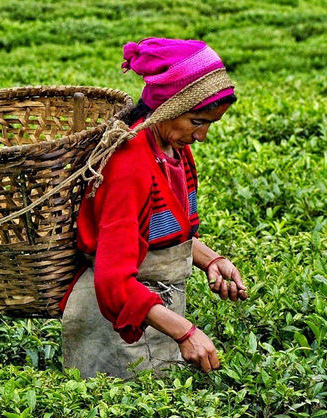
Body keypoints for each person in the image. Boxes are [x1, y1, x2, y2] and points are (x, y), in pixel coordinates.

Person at [60, 38, 247, 379]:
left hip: (160, 318)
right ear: (168, 108)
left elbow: (159, 234)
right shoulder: (130, 164)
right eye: (197, 121)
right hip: (114, 328)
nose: (202, 135)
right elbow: (113, 281)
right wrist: (186, 332)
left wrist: (212, 260)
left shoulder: (175, 151)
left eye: (210, 124)